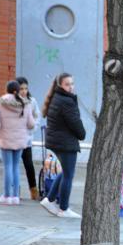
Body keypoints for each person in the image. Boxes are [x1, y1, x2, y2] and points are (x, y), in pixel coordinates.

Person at [39, 73, 86, 218]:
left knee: (65, 172)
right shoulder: (66, 101)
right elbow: (75, 123)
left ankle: (49, 199)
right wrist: (82, 134)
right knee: (68, 175)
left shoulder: (57, 97)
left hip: (58, 141)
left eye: (72, 83)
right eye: (67, 84)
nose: (71, 87)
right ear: (60, 85)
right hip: (65, 143)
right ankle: (64, 209)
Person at [0, 80, 36, 205]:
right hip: (21, 140)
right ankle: (15, 197)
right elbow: (31, 124)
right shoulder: (26, 104)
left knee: (8, 167)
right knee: (16, 167)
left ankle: (6, 195)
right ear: (18, 90)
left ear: (7, 90)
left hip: (5, 139)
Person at [16, 77, 41, 200]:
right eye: (21, 88)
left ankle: (33, 190)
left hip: (26, 139)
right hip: (14, 139)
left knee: (29, 165)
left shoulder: (32, 101)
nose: (24, 91)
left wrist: (34, 127)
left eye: (26, 88)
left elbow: (37, 116)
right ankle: (15, 190)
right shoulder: (11, 101)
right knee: (14, 166)